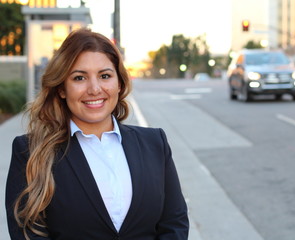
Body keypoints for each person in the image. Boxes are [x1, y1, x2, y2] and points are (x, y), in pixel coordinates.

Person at [5, 28, 189, 240]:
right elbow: (27, 234)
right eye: (79, 78)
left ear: (119, 83)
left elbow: (174, 223)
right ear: (62, 88)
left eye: (104, 76)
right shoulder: (29, 151)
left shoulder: (155, 143)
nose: (94, 89)